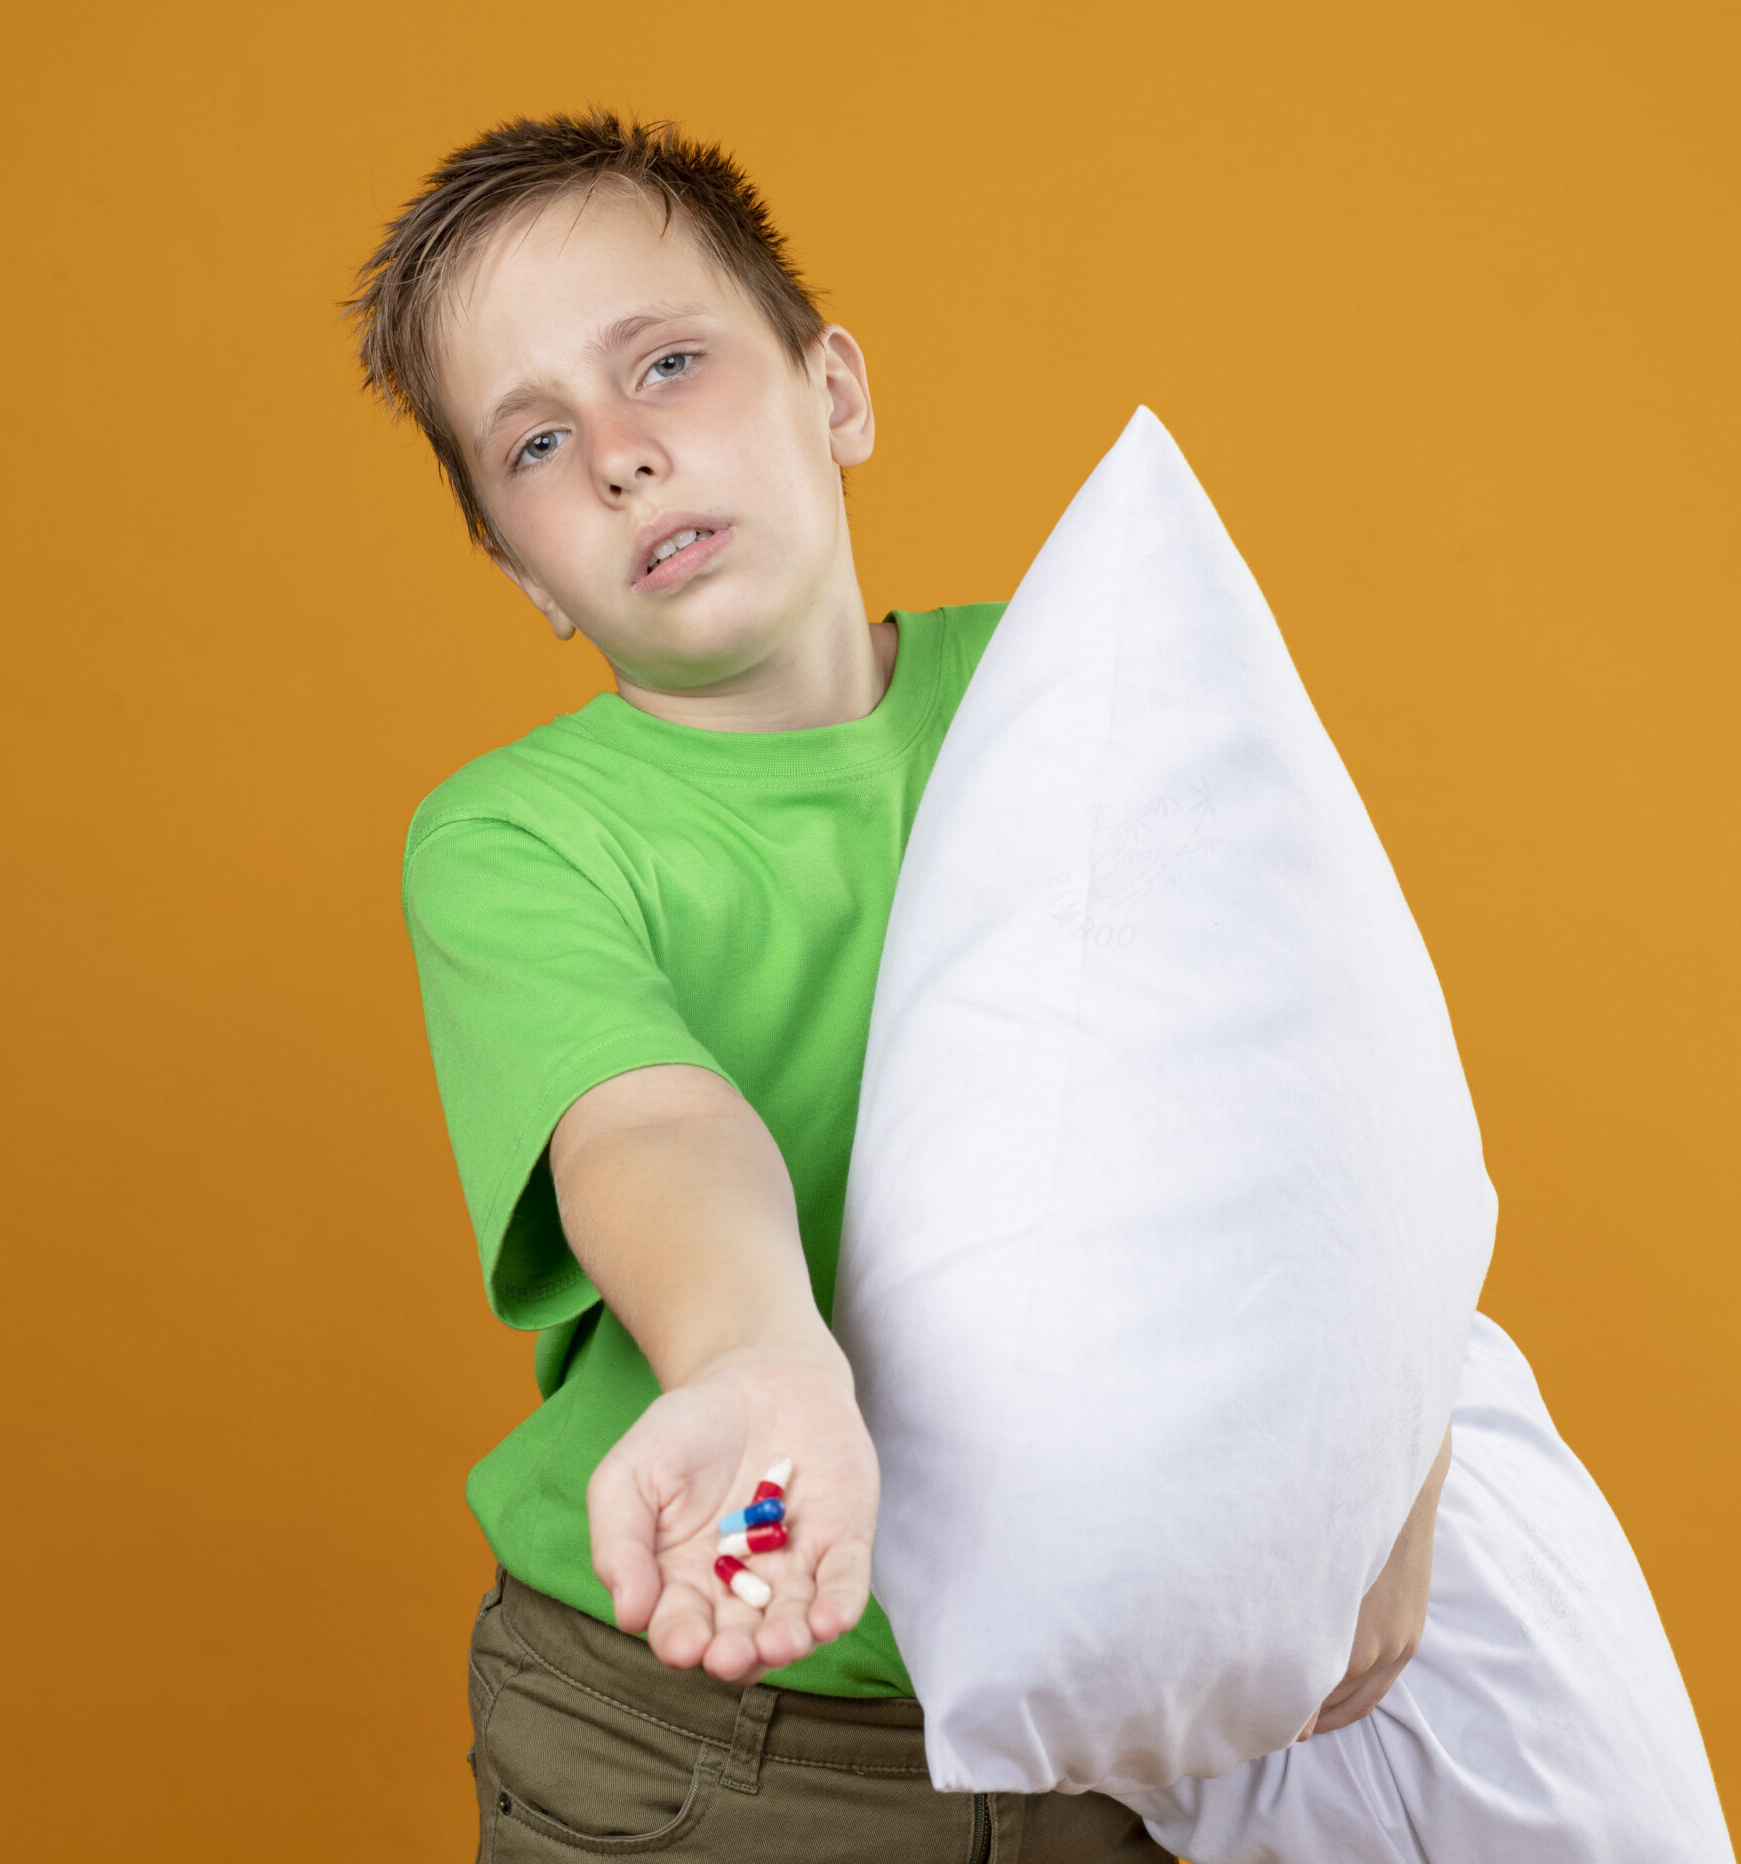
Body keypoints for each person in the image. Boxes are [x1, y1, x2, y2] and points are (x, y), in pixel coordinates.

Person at [353, 111, 1449, 1860]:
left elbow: (1322, 1088)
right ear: (517, 568)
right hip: (706, 1744)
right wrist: (754, 1355)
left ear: (835, 393)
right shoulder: (519, 838)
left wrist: (1386, 1461)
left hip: (1116, 1749)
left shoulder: (1074, 693)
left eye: (671, 366)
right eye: (540, 441)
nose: (623, 456)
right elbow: (646, 1123)